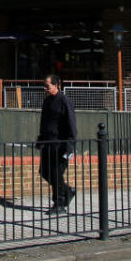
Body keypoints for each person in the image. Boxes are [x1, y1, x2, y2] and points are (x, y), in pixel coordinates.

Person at [37, 74, 77, 216]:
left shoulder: (64, 101)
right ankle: (67, 191)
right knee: (45, 172)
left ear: (56, 85)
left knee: (56, 173)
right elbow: (44, 121)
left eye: (47, 86)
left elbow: (71, 123)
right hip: (48, 143)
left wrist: (70, 145)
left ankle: (59, 203)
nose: (45, 89)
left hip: (60, 145)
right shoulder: (47, 101)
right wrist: (40, 138)